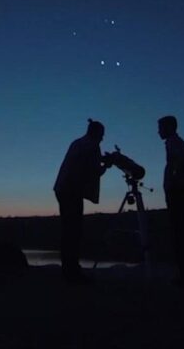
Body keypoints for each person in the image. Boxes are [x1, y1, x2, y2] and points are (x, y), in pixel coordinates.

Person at [53, 119, 111, 284]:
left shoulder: (79, 143)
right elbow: (93, 170)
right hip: (71, 191)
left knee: (68, 230)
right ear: (97, 134)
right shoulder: (91, 146)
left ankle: (68, 268)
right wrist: (106, 166)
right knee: (73, 230)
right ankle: (72, 271)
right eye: (101, 135)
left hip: (64, 189)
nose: (102, 139)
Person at [158, 115, 184, 286]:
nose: (158, 131)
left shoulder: (174, 143)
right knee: (180, 232)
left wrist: (176, 178)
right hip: (178, 190)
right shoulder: (176, 143)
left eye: (160, 127)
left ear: (169, 128)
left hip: (177, 192)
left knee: (180, 232)